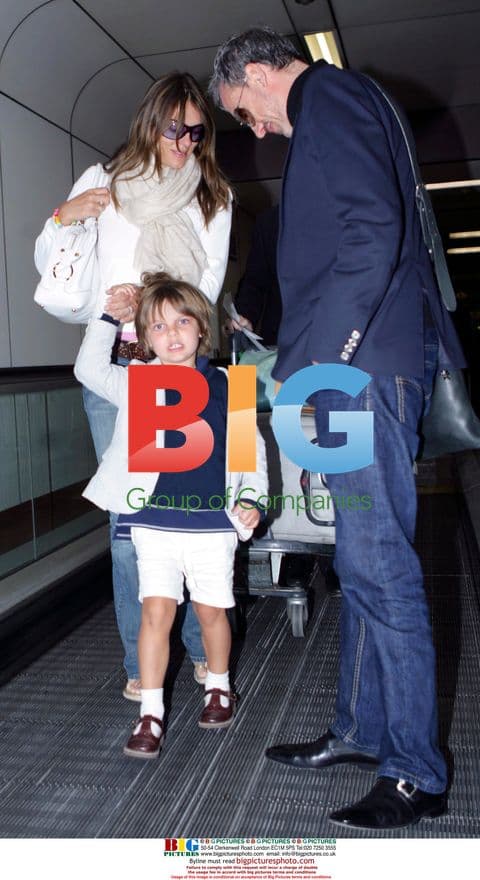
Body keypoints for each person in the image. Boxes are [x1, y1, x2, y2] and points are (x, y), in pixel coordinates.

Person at [210, 28, 465, 830]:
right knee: (358, 556)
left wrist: (323, 363)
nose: (254, 127)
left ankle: (415, 772)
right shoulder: (332, 105)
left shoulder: (332, 97)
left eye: (243, 110)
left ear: (257, 72)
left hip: (359, 373)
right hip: (353, 372)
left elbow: (372, 230)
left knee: (381, 565)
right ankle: (360, 728)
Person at [35, 72, 233, 701]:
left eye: (196, 132)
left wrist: (150, 300)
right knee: (129, 523)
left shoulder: (212, 196)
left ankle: (201, 649)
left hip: (181, 374)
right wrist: (65, 215)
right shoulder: (103, 182)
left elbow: (207, 289)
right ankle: (137, 660)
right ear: (150, 121)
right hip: (117, 372)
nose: (185, 142)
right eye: (175, 128)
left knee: (195, 512)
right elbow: (55, 263)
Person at [74, 271, 268, 758]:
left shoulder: (232, 385)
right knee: (155, 612)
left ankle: (218, 687)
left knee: (211, 610)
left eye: (182, 321)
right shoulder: (138, 382)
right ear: (144, 336)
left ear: (201, 327)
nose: (172, 334)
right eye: (158, 326)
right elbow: (88, 370)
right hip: (153, 522)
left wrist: (252, 499)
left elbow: (250, 453)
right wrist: (107, 318)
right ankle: (151, 713)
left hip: (212, 523)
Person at [230, 204, 281, 346]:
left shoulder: (338, 215)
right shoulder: (270, 221)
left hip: (330, 337)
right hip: (279, 340)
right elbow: (254, 282)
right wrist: (242, 317)